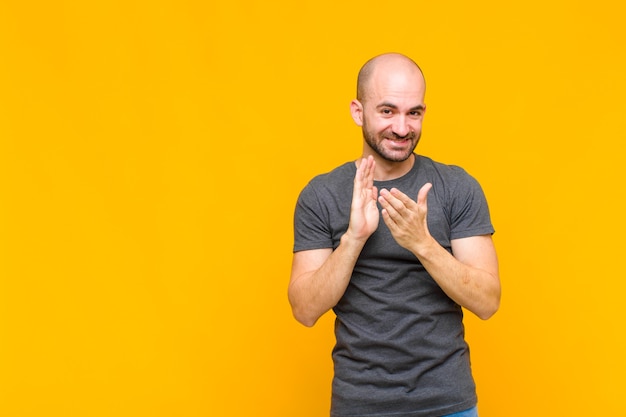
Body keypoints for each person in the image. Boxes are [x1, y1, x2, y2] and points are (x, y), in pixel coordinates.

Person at [288, 52, 501, 417]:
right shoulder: (321, 195)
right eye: (387, 111)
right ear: (358, 111)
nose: (402, 128)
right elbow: (305, 310)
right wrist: (354, 238)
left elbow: (487, 302)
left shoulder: (456, 187)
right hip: (361, 405)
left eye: (413, 113)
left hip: (448, 404)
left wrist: (422, 244)